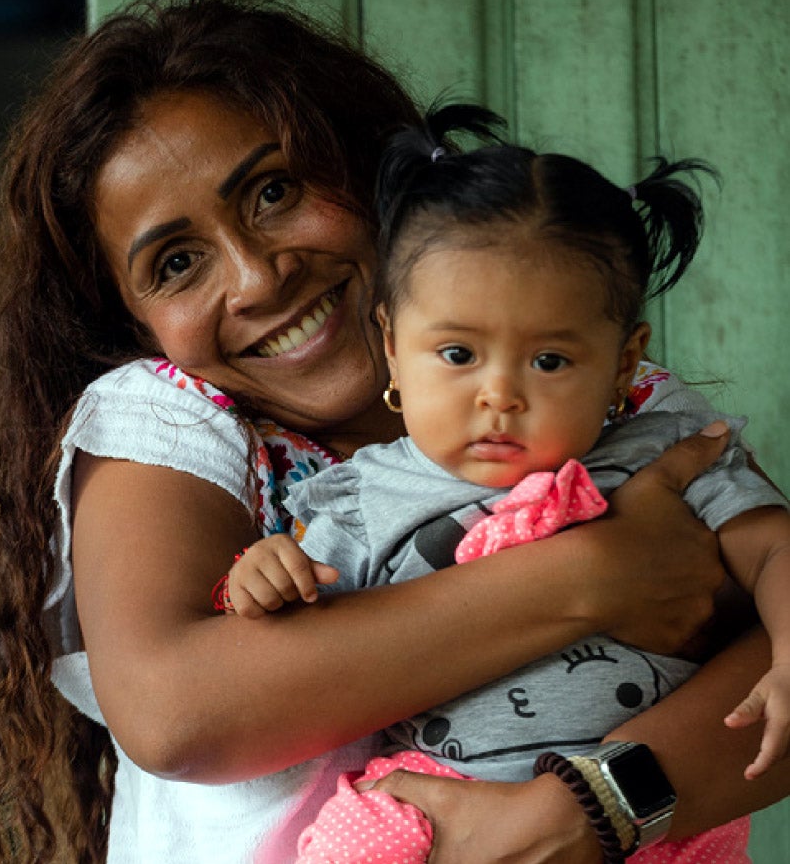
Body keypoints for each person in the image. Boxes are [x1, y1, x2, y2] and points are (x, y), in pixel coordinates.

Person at [0, 0, 790, 864]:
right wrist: (594, 575)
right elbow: (180, 715)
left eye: (274, 191)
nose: (254, 278)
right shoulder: (172, 417)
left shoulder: (607, 402)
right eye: (176, 264)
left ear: (368, 167)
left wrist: (575, 815)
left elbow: (767, 668)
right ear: (134, 324)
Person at [221, 104, 790, 862]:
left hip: (652, 817)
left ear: (623, 364)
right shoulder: (359, 498)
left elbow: (773, 549)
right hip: (434, 802)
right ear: (393, 346)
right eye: (457, 354)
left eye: (549, 361)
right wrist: (260, 578)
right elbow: (300, 655)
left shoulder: (667, 452)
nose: (500, 394)